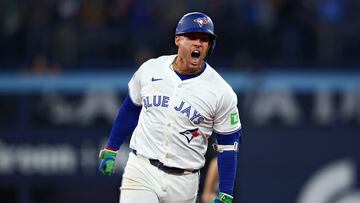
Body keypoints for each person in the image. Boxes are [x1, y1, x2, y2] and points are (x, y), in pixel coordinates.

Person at [98, 12, 242, 203]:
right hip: (142, 169)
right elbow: (132, 107)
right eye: (192, 37)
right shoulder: (151, 69)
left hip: (185, 181)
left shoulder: (221, 91)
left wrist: (225, 192)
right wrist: (111, 147)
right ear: (178, 40)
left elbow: (228, 145)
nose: (198, 43)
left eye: (205, 39)